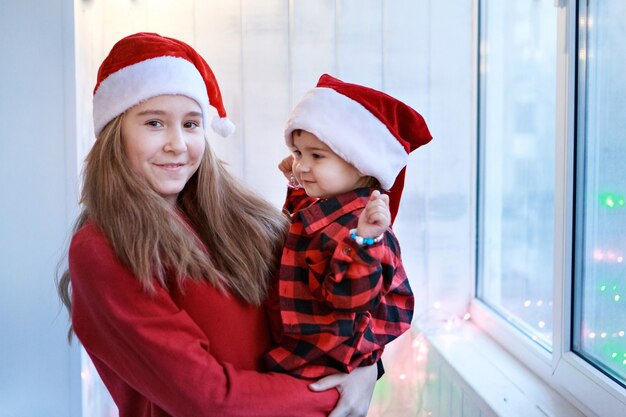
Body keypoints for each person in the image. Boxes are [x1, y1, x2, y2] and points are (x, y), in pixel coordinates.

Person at [56, 33, 378, 417]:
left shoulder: (238, 216)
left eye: (191, 124)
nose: (178, 144)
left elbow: (329, 296)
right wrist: (337, 394)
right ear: (114, 133)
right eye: (155, 123)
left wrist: (368, 367)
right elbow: (207, 399)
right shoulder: (102, 249)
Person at [264, 74, 432, 379]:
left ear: (360, 163)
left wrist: (364, 241)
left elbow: (352, 297)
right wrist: (297, 183)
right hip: (302, 337)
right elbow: (298, 225)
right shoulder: (328, 202)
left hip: (330, 352)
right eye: (298, 153)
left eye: (317, 156)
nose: (302, 165)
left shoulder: (365, 228)